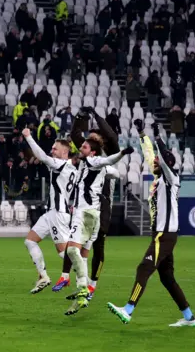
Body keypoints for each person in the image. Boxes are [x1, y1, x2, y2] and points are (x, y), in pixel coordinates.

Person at [107, 124, 195, 327]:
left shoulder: (172, 178)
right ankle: (190, 317)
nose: (153, 161)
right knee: (167, 279)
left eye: (158, 161)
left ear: (166, 163)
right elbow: (150, 154)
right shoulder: (160, 179)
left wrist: (158, 136)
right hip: (163, 234)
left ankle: (128, 310)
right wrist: (142, 135)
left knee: (143, 268)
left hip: (164, 234)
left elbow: (161, 156)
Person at [53, 107, 121, 300]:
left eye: (92, 137)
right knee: (77, 243)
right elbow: (75, 133)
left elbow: (112, 137)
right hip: (84, 204)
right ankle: (77, 282)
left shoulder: (108, 152)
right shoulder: (86, 152)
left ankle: (92, 286)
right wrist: (81, 117)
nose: (86, 140)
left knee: (98, 245)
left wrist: (98, 117)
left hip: (103, 203)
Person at [63, 139, 133, 315]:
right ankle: (82, 298)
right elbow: (115, 173)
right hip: (93, 215)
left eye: (84, 147)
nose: (81, 148)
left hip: (84, 214)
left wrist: (122, 154)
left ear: (92, 152)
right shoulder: (90, 165)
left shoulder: (93, 161)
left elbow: (108, 161)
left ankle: (83, 288)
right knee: (84, 256)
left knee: (72, 251)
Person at [21, 128, 76, 294]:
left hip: (58, 214)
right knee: (30, 241)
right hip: (53, 212)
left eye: (55, 148)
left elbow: (42, 157)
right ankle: (43, 276)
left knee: (64, 252)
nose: (52, 150)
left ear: (65, 152)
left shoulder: (61, 164)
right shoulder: (72, 168)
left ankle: (85, 279)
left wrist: (28, 137)